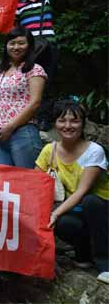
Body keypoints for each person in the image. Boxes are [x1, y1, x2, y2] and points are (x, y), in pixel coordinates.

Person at [35, 100, 108, 282]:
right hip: (76, 209)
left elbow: (82, 192)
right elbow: (34, 184)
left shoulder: (94, 151)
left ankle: (106, 264)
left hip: (101, 208)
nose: (68, 126)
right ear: (55, 123)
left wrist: (55, 213)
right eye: (62, 120)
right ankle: (84, 255)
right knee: (63, 223)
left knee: (90, 202)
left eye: (74, 121)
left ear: (83, 124)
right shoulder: (49, 150)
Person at [0, 27, 46, 168]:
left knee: (27, 178)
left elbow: (35, 102)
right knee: (4, 179)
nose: (16, 47)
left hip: (23, 131)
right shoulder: (1, 72)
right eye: (12, 43)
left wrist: (11, 126)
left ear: (29, 46)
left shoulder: (35, 69)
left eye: (21, 43)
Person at [15, 0, 59, 131]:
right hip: (29, 48)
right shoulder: (19, 6)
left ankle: (44, 119)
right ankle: (29, 116)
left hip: (48, 46)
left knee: (47, 82)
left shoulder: (47, 0)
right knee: (28, 82)